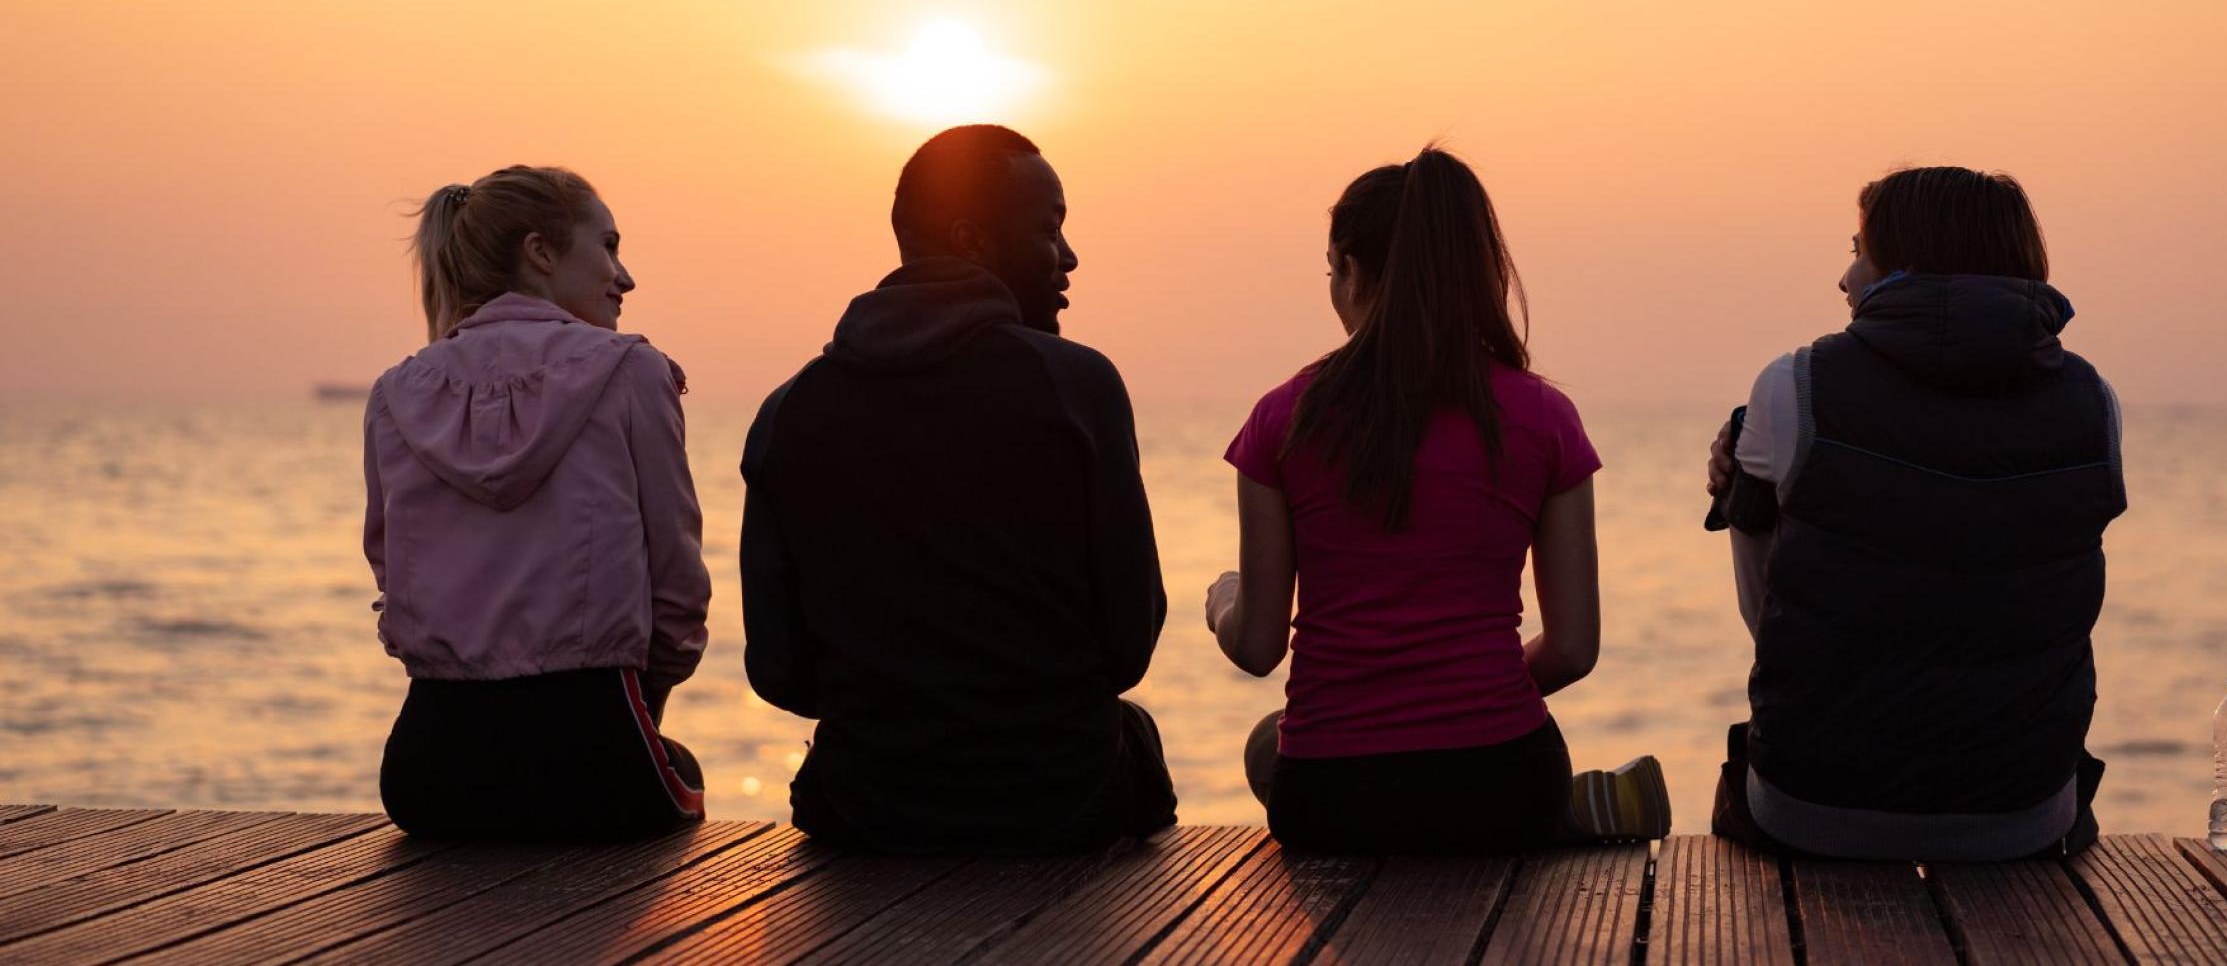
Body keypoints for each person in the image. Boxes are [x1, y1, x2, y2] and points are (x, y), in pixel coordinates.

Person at [1206, 147, 1669, 854]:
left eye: (1332, 271)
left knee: (1267, 749)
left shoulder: (1283, 419)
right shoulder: (1545, 418)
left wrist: (1223, 602)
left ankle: (1549, 819)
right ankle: (1565, 817)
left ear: (1352, 270)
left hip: (1330, 798)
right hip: (1503, 785)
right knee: (1485, 796)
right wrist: (1460, 692)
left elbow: (1259, 647)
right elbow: (1573, 651)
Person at [740, 124, 1177, 855]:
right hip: (1061, 805)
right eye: (1050, 230)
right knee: (1133, 733)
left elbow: (779, 671)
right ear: (974, 240)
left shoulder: (788, 411)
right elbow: (1129, 646)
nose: (1070, 258)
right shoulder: (1077, 386)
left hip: (864, 810)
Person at [1705, 166, 2125, 861]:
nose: (1844, 279)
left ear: (1902, 264)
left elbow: (1765, 619)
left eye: (1857, 250)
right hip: (2023, 813)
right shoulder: (2094, 402)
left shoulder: (1796, 386)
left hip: (1815, 807)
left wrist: (1747, 462)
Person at [364, 166, 710, 841]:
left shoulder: (395, 393)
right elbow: (677, 590)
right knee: (680, 771)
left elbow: (390, 578)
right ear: (541, 252)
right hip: (593, 763)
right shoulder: (631, 371)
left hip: (427, 776)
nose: (625, 274)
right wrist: (646, 706)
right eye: (607, 246)